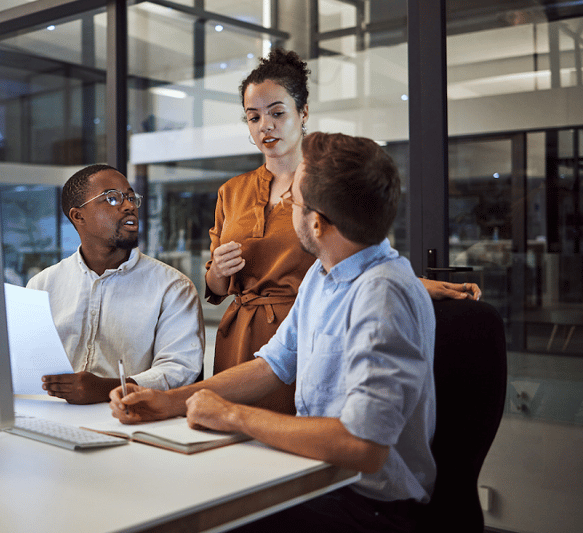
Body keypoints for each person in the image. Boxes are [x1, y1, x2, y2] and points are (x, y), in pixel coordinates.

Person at [111, 132, 436, 532]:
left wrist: (231, 415)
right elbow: (273, 364)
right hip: (321, 482)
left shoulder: (381, 295)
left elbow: (363, 447)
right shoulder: (323, 274)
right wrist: (172, 400)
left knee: (196, 516)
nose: (286, 205)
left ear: (316, 223)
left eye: (293, 203)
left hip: (368, 506)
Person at [205, 49, 479, 414]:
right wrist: (217, 273)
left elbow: (364, 256)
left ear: (303, 113)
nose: (265, 126)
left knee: (300, 436)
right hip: (240, 337)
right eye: (253, 117)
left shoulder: (328, 184)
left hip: (308, 327)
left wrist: (413, 284)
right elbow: (215, 288)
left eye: (277, 113)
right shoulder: (232, 191)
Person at [27, 164, 204, 404]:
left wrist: (110, 389)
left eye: (131, 198)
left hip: (131, 418)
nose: (129, 206)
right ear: (78, 216)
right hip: (50, 415)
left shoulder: (173, 287)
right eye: (112, 199)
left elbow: (181, 369)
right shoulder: (42, 285)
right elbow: (24, 363)